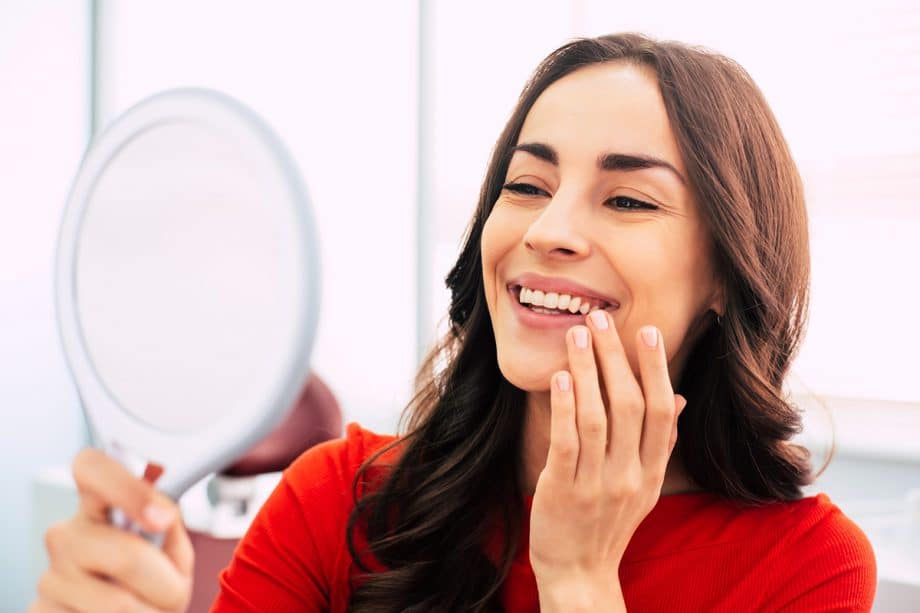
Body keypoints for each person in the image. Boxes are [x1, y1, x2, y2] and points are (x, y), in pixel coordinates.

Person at [32, 33, 876, 612]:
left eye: (626, 198)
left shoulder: (807, 568)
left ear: (727, 275)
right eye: (526, 185)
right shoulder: (336, 502)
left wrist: (579, 577)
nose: (548, 231)